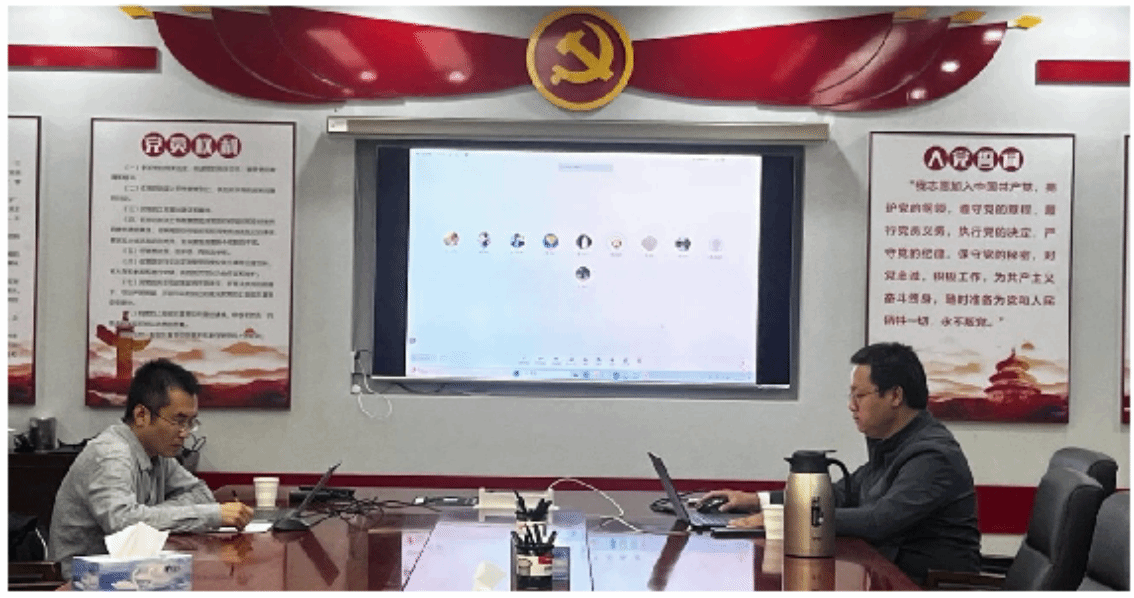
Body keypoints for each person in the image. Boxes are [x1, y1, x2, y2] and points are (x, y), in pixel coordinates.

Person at [700, 342, 981, 585]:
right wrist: (755, 500)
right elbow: (836, 494)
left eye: (860, 395)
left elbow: (878, 521)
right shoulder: (891, 446)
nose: (851, 405)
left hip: (926, 586)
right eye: (851, 396)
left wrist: (789, 519)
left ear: (895, 396)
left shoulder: (932, 456)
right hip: (886, 577)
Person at [49, 359, 254, 577]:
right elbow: (125, 525)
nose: (185, 433)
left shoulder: (157, 451)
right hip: (83, 579)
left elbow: (201, 494)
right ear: (141, 415)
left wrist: (150, 515)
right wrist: (211, 515)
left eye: (190, 422)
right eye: (178, 420)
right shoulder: (111, 453)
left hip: (133, 570)